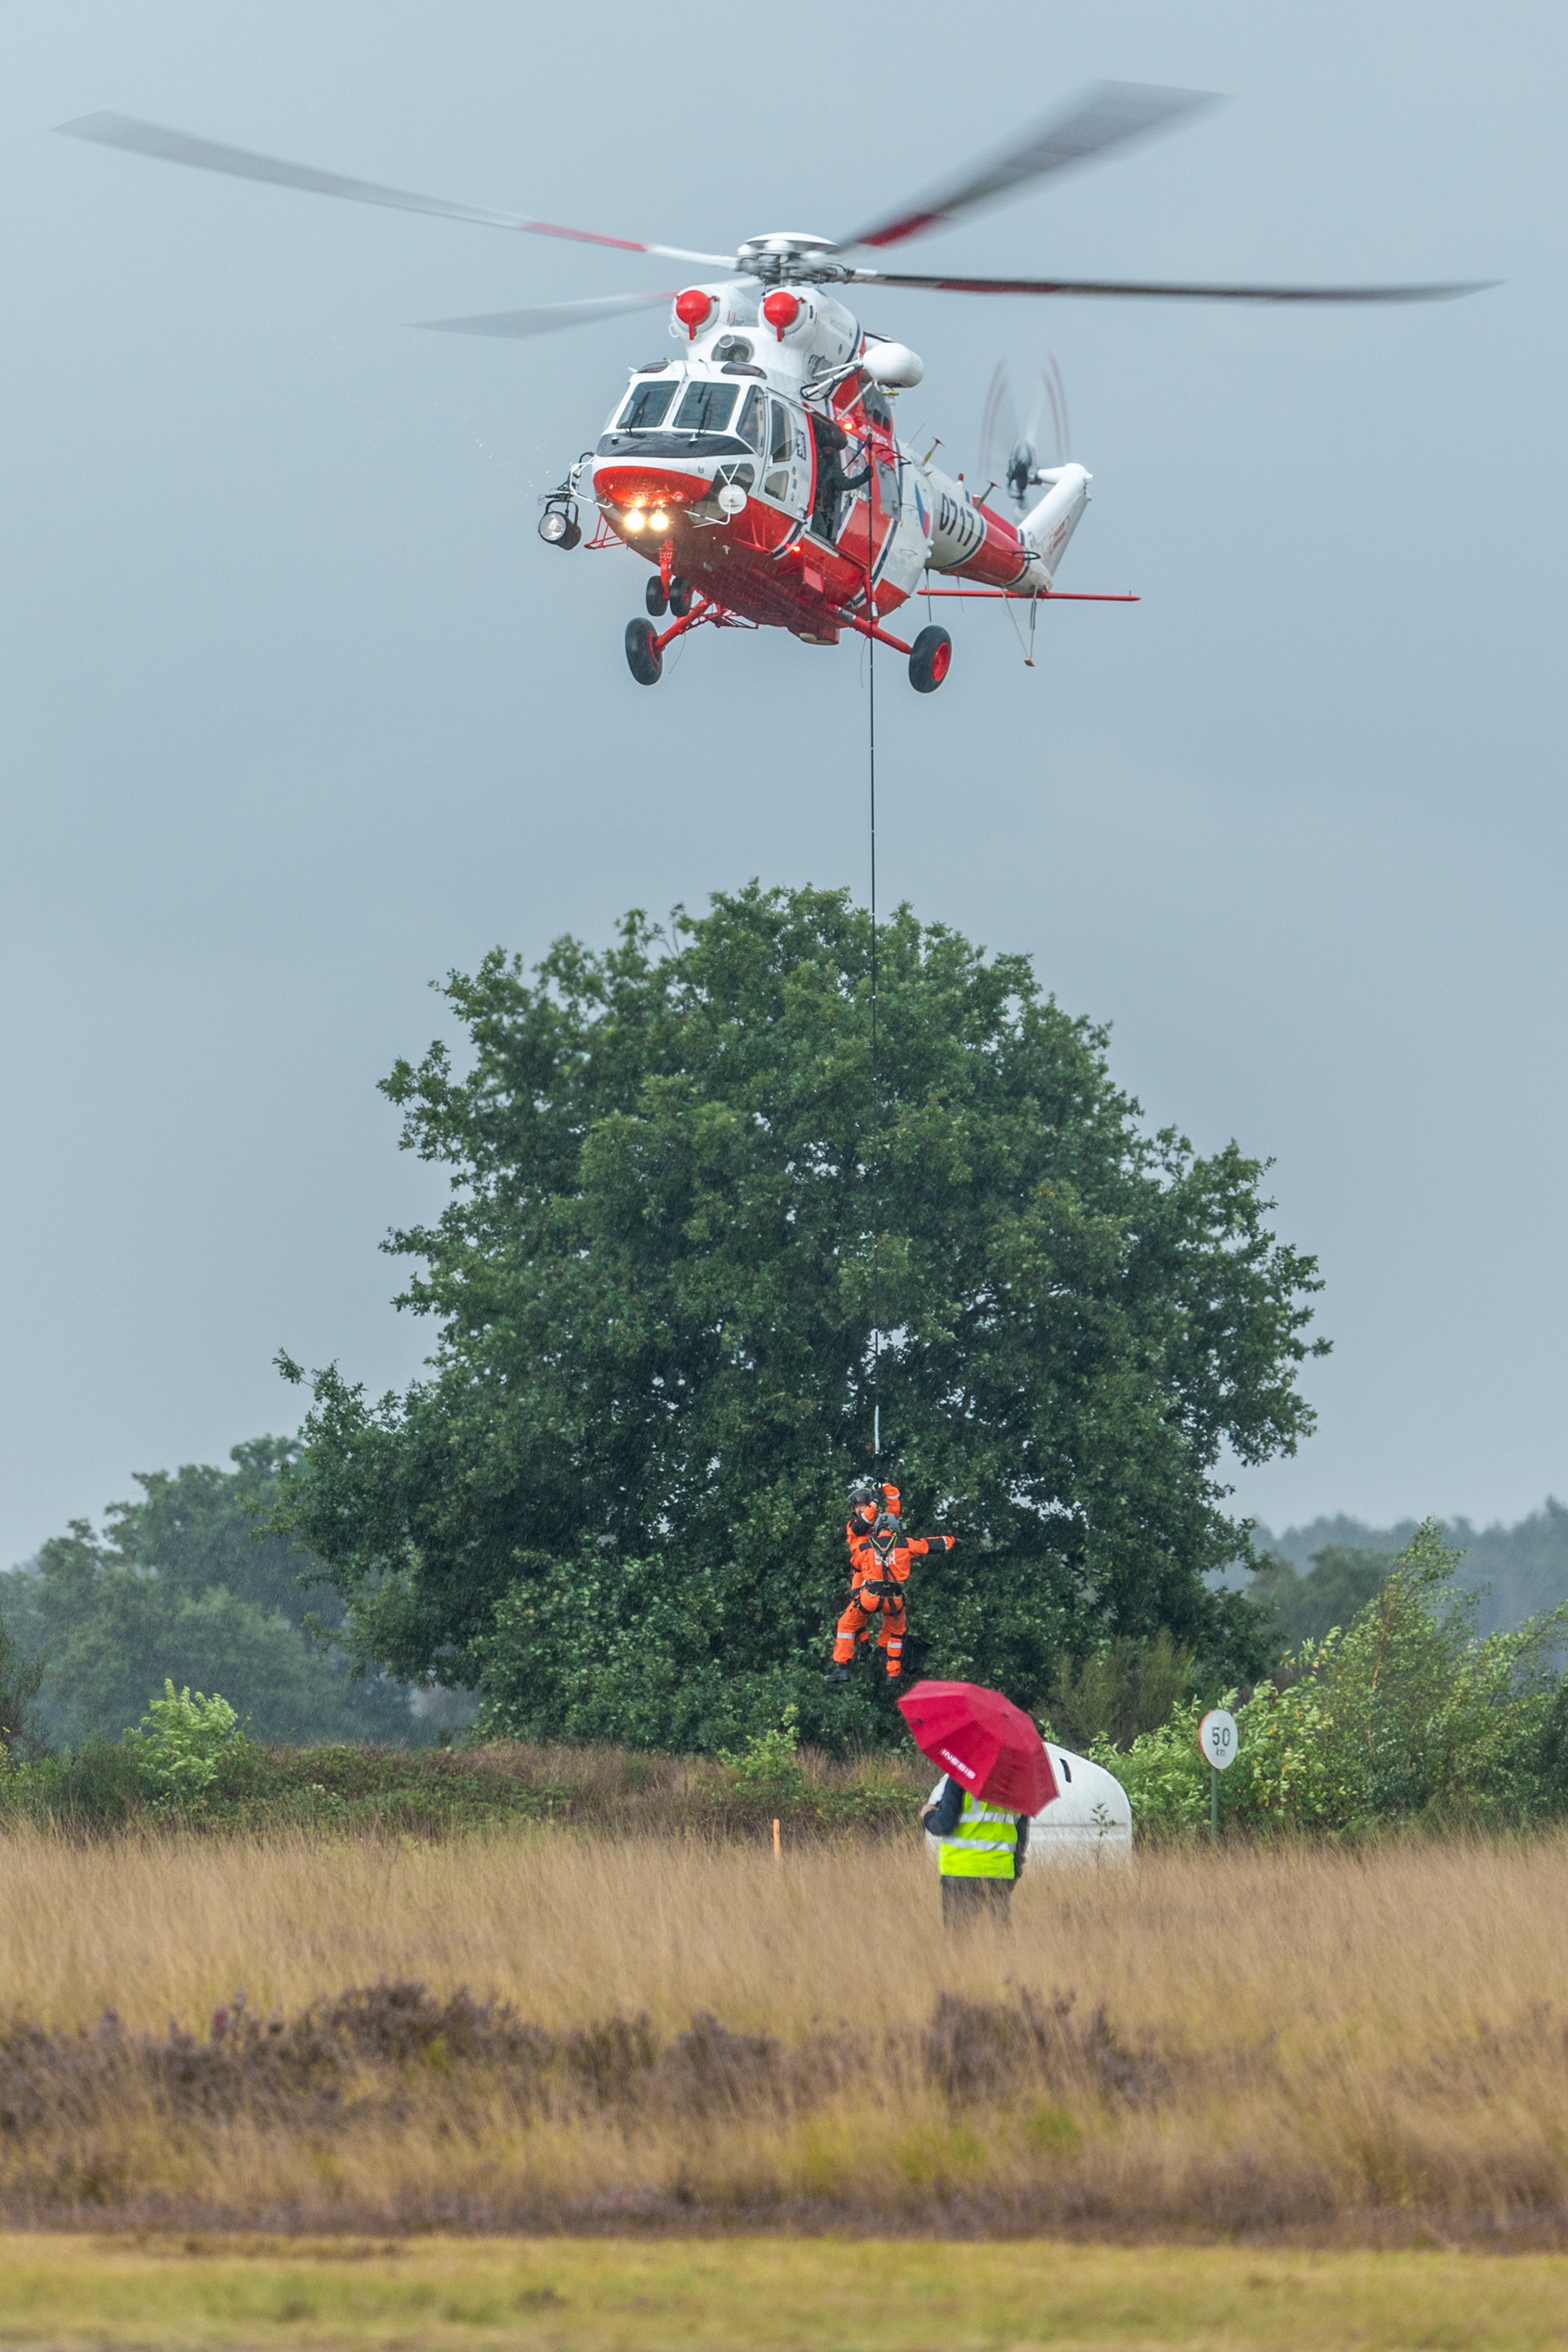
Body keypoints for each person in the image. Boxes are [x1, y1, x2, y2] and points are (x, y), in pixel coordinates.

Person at [825, 1505, 956, 1684]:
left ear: (877, 1528)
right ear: (895, 1528)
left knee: (846, 1625)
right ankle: (893, 1675)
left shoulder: (865, 1547)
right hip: (894, 1600)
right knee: (897, 1632)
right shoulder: (904, 1544)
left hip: (870, 1597)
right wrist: (952, 1540)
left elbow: (855, 1565)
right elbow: (931, 1545)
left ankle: (843, 1668)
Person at [920, 1774, 1031, 1929]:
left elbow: (943, 1825)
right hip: (999, 1875)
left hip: (960, 1873)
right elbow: (1021, 1839)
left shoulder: (961, 1776)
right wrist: (1015, 1873)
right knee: (999, 1940)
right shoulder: (1018, 1784)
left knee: (959, 1939)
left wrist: (927, 1815)